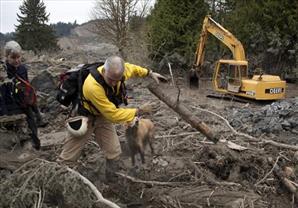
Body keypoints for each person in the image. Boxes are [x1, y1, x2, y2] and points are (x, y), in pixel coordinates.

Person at [58, 55, 166, 182]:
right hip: (85, 116)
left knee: (113, 151)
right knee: (68, 156)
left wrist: (150, 73)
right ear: (104, 71)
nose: (114, 83)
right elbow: (113, 115)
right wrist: (139, 110)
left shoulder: (120, 72)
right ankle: (60, 179)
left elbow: (134, 69)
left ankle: (112, 181)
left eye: (117, 80)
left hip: (102, 115)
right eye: (111, 79)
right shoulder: (92, 86)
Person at [3, 41, 48, 150]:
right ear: (7, 57)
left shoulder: (23, 68)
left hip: (24, 101)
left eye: (18, 57)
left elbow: (26, 85)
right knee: (13, 128)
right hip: (10, 104)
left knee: (31, 123)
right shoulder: (3, 71)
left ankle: (36, 146)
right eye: (13, 58)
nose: (17, 60)